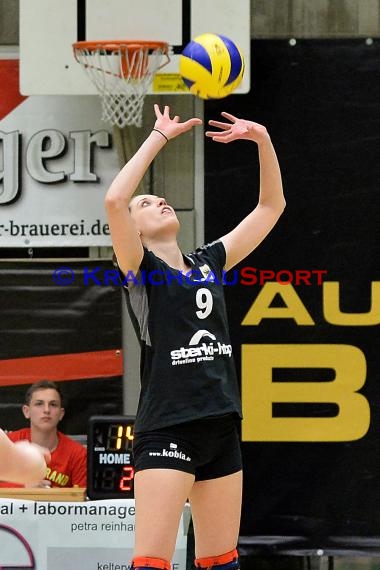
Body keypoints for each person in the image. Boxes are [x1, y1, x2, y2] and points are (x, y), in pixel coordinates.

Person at [105, 104, 285, 570]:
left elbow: (271, 207)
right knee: (152, 561)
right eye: (146, 204)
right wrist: (159, 136)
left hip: (221, 422)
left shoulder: (210, 262)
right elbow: (113, 200)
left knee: (221, 561)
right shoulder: (140, 270)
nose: (157, 202)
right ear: (136, 232)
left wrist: (262, 140)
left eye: (160, 199)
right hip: (168, 426)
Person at [0, 380, 87, 488]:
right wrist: (24, 488)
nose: (46, 410)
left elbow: (84, 500)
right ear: (26, 411)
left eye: (53, 404)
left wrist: (50, 494)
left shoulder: (78, 454)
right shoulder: (8, 444)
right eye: (39, 404)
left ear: (61, 414)